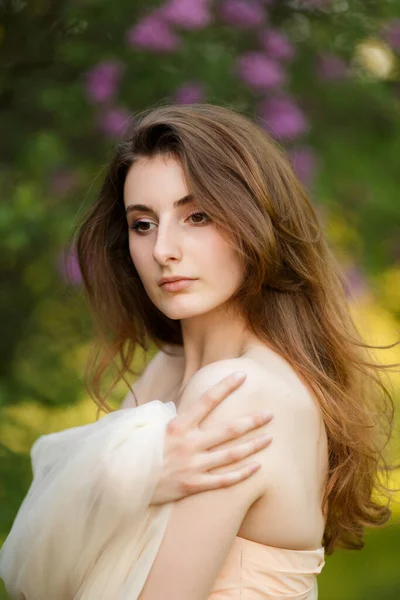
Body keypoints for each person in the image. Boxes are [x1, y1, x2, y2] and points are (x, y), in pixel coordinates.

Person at [1, 102, 396, 599]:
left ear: (257, 220)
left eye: (198, 215)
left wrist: (125, 481)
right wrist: (133, 478)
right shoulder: (168, 371)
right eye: (143, 224)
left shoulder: (239, 393)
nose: (163, 248)